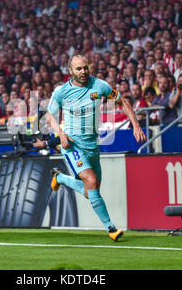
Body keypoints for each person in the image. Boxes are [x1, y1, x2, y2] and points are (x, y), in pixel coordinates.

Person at [45, 54, 146, 241]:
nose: (83, 71)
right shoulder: (61, 92)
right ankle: (111, 228)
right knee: (91, 181)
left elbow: (122, 101)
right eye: (79, 69)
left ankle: (60, 178)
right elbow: (49, 116)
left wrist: (136, 125)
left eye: (85, 67)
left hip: (92, 146)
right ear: (70, 71)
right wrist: (60, 133)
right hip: (72, 146)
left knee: (91, 190)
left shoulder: (100, 86)